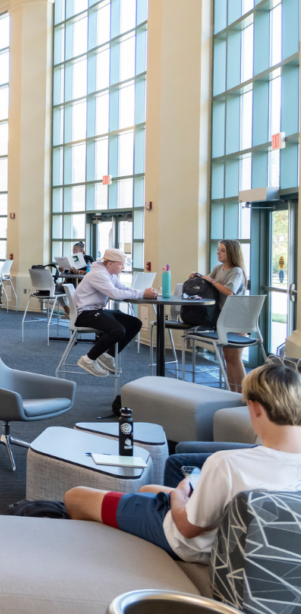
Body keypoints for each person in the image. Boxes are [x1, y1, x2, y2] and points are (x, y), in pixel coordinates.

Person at [64, 363, 301, 564]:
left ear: (256, 408)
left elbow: (188, 529)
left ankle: (88, 560)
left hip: (190, 544)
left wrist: (180, 495)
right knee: (148, 489)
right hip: (247, 546)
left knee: (76, 496)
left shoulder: (227, 463)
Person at [71, 249, 158, 376]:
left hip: (96, 310)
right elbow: (115, 294)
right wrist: (143, 294)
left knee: (135, 323)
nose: (123, 267)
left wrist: (143, 292)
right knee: (117, 330)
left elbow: (122, 288)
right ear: (110, 264)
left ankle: (107, 356)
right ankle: (88, 359)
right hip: (85, 314)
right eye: (121, 264)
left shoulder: (110, 275)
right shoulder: (98, 274)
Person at [191, 239, 248, 392]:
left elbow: (229, 292)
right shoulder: (218, 268)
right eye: (218, 249)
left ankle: (243, 395)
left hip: (236, 318)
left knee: (235, 358)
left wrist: (211, 280)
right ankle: (233, 393)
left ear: (231, 253)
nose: (218, 252)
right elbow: (208, 283)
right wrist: (198, 277)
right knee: (228, 359)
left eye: (222, 250)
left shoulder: (236, 271)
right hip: (223, 318)